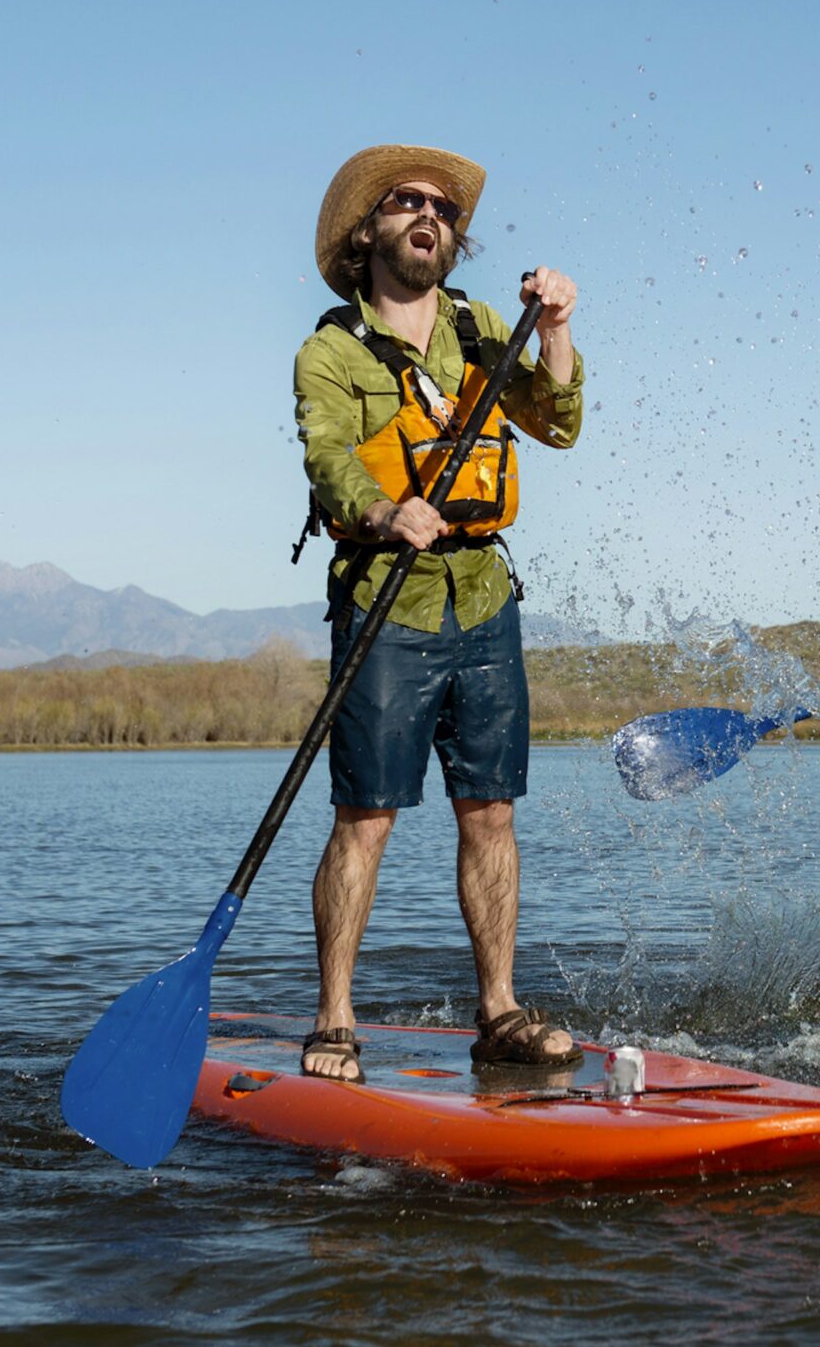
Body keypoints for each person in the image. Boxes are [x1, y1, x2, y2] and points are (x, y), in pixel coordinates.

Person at [291, 143, 585, 1082]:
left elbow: (558, 419)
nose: (430, 215)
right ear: (367, 231)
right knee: (365, 818)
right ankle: (335, 1018)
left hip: (485, 601)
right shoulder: (330, 351)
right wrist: (383, 510)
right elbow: (329, 459)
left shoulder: (481, 325)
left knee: (490, 814)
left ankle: (497, 1010)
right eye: (407, 202)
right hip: (388, 602)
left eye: (443, 209)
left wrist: (557, 330)